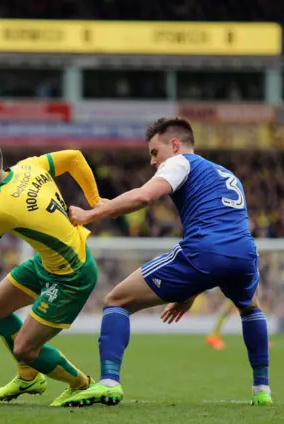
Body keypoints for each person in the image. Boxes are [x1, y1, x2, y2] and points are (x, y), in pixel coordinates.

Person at [64, 117, 272, 407]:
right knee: (250, 309)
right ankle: (262, 390)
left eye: (154, 152)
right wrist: (190, 292)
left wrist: (91, 214)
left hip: (204, 250)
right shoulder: (228, 175)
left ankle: (110, 382)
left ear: (174, 145)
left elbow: (144, 196)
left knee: (116, 301)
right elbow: (223, 241)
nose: (152, 161)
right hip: (245, 253)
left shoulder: (180, 162)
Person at [0, 140, 103, 407]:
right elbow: (74, 157)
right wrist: (96, 202)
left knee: (25, 348)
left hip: (72, 275)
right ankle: (28, 376)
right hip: (50, 262)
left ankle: (83, 385)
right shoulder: (28, 166)